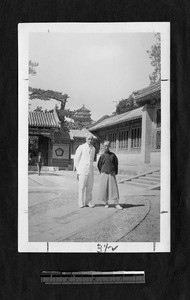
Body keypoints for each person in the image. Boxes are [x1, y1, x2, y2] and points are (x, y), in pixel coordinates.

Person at [97, 141, 123, 210]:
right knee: (105, 189)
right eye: (105, 146)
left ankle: (116, 203)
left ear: (109, 146)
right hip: (104, 173)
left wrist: (115, 172)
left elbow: (116, 164)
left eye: (108, 146)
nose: (106, 147)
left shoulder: (113, 155)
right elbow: (99, 165)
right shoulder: (102, 156)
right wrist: (102, 172)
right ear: (103, 147)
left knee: (114, 189)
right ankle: (106, 203)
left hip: (111, 173)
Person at [74, 135, 96, 208]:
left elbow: (92, 160)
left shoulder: (93, 149)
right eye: (89, 139)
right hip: (82, 170)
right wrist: (78, 170)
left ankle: (88, 202)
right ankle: (81, 202)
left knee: (89, 188)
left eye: (91, 139)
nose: (90, 140)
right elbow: (76, 159)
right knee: (81, 187)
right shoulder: (81, 147)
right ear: (86, 139)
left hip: (90, 170)